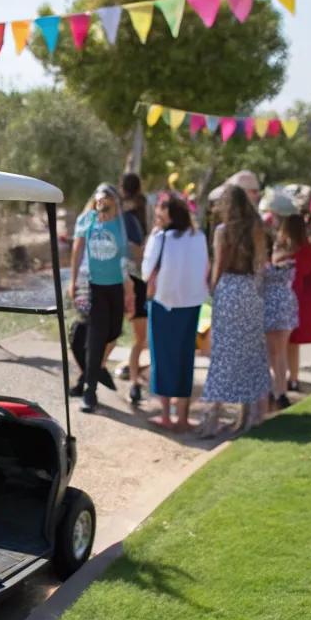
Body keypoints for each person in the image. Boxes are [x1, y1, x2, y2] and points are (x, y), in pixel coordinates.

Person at [199, 185, 271, 436]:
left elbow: (218, 266)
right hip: (250, 289)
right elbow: (261, 264)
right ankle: (248, 416)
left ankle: (212, 418)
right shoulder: (256, 228)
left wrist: (211, 291)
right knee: (249, 353)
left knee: (222, 356)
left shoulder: (222, 231)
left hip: (228, 289)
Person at [141, 192, 208, 429]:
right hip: (191, 303)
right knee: (184, 358)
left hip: (163, 302)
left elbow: (146, 270)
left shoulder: (160, 237)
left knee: (162, 358)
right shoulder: (198, 236)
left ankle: (167, 416)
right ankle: (182, 416)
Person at [70, 184, 133, 413]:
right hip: (93, 285)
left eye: (106, 201)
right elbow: (77, 251)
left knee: (113, 333)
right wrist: (73, 280)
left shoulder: (119, 223)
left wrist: (129, 289)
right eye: (98, 201)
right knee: (96, 337)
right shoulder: (87, 220)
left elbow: (124, 256)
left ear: (115, 202)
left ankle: (91, 372)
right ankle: (90, 392)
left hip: (114, 286)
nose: (102, 205)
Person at [279, 213, 311, 391]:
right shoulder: (308, 251)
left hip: (293, 302)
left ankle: (284, 378)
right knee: (291, 344)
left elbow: (294, 277)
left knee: (283, 343)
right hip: (302, 303)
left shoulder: (298, 254)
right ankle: (293, 378)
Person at [264, 210, 300, 410]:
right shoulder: (290, 264)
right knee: (280, 352)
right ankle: (281, 391)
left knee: (272, 352)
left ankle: (274, 390)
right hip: (286, 306)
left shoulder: (269, 268)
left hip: (272, 308)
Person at [119, 172, 149, 400]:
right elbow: (138, 246)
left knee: (113, 333)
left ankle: (91, 375)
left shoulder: (120, 211)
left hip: (119, 276)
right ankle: (134, 381)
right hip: (135, 277)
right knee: (139, 336)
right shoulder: (138, 210)